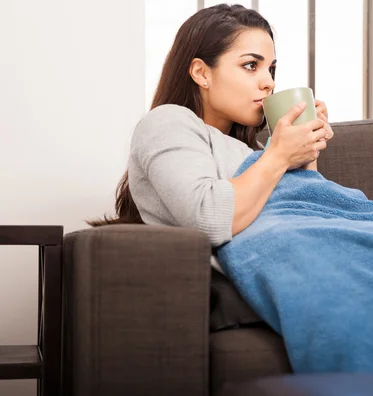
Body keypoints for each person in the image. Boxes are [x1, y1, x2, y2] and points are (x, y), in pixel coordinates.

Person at [90, 4, 334, 252]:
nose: (269, 83)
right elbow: (210, 218)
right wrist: (281, 155)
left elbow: (307, 211)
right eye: (250, 65)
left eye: (271, 69)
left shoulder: (256, 152)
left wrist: (307, 150)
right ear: (201, 73)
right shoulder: (165, 123)